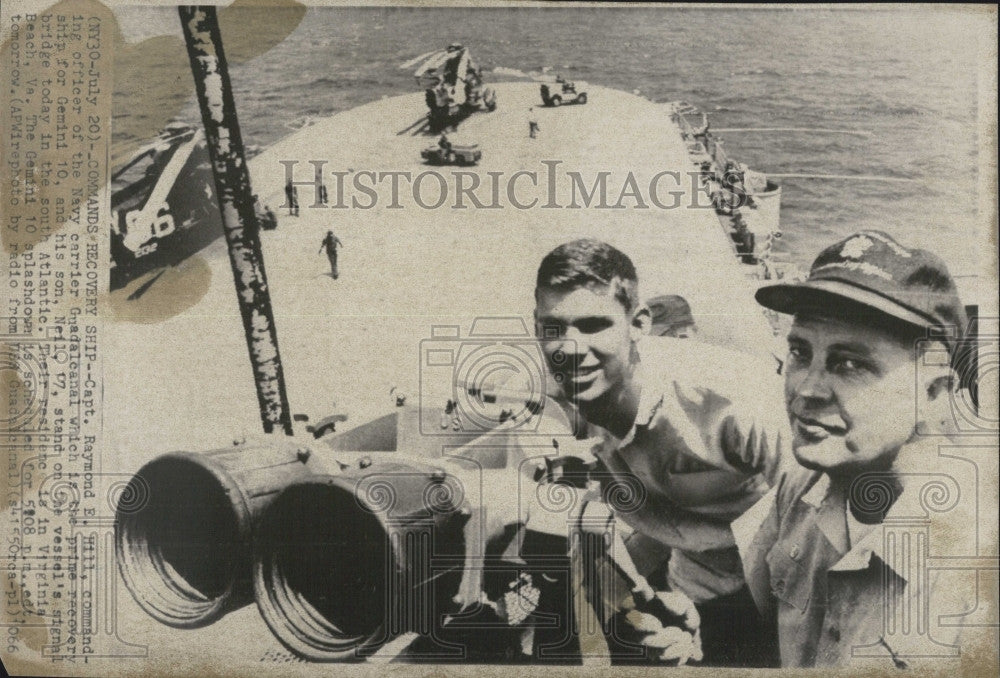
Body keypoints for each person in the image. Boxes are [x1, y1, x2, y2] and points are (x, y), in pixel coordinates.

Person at [533, 238, 787, 666]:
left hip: (778, 572)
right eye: (553, 328)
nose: (570, 349)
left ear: (639, 323)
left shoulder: (731, 400)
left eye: (595, 325)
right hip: (693, 580)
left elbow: (818, 513)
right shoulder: (555, 404)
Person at [733, 230, 978, 668]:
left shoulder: (977, 561)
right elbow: (755, 632)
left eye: (850, 364)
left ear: (936, 392)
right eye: (799, 352)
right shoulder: (800, 488)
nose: (806, 389)